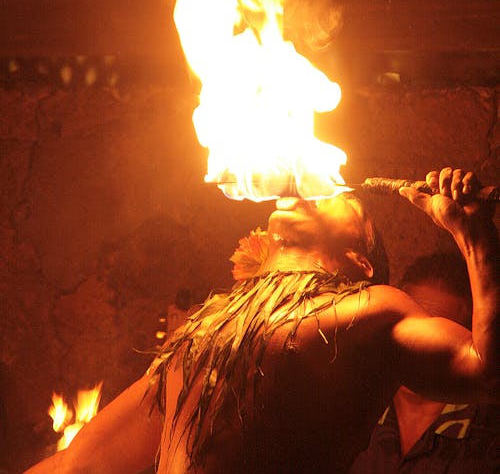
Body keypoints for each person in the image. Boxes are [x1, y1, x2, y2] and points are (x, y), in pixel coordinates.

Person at [23, 167, 499, 474]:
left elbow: (486, 371)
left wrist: (473, 230)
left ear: (359, 259)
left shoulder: (370, 309)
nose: (311, 189)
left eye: (341, 199)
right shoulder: (205, 337)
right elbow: (78, 464)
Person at [350, 251, 500, 472]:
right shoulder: (355, 406)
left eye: (437, 331)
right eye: (411, 328)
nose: (418, 343)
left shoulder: (488, 433)